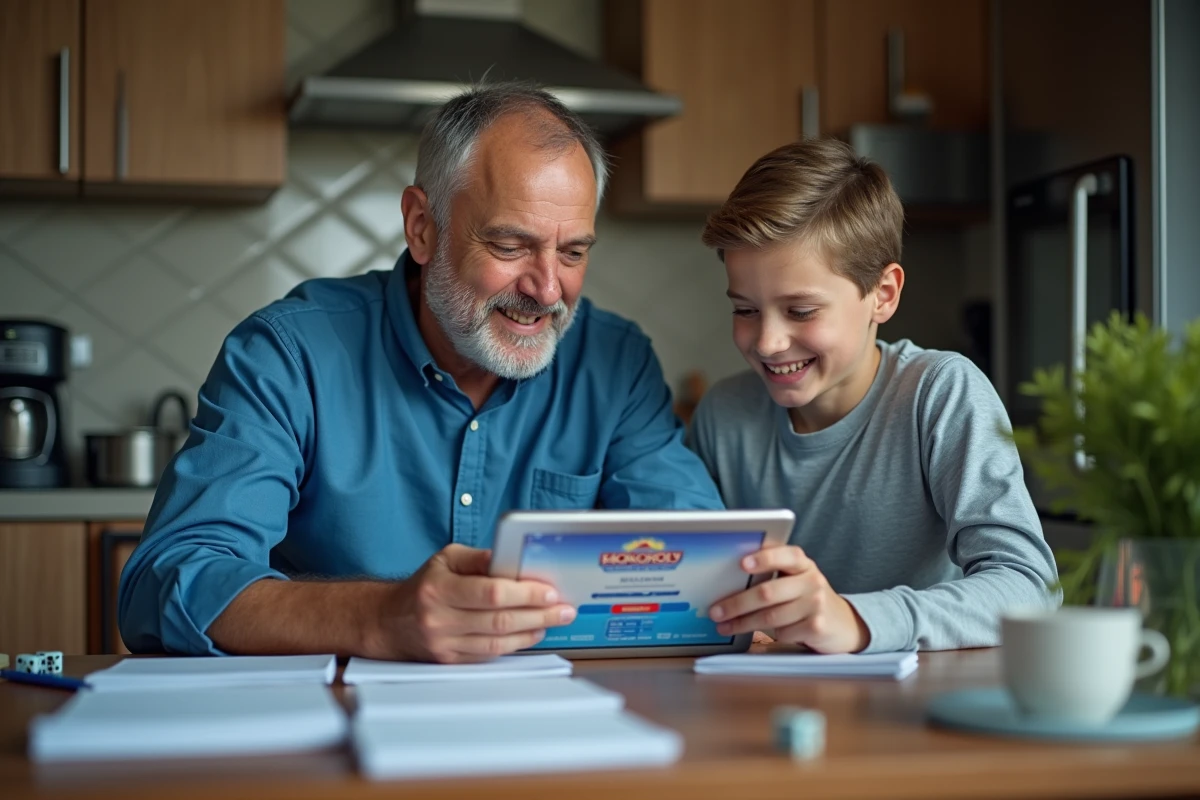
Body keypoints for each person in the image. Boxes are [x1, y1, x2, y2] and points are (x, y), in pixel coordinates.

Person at [119, 83, 723, 661]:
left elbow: (701, 564)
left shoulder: (614, 363)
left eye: (573, 253)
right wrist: (378, 617)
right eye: (511, 246)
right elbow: (166, 582)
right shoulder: (288, 353)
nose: (546, 289)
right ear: (422, 227)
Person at [689, 138, 1059, 655]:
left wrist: (857, 620)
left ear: (882, 294)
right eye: (746, 310)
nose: (768, 342)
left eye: (800, 311)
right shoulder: (724, 415)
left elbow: (1031, 588)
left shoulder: (940, 393)